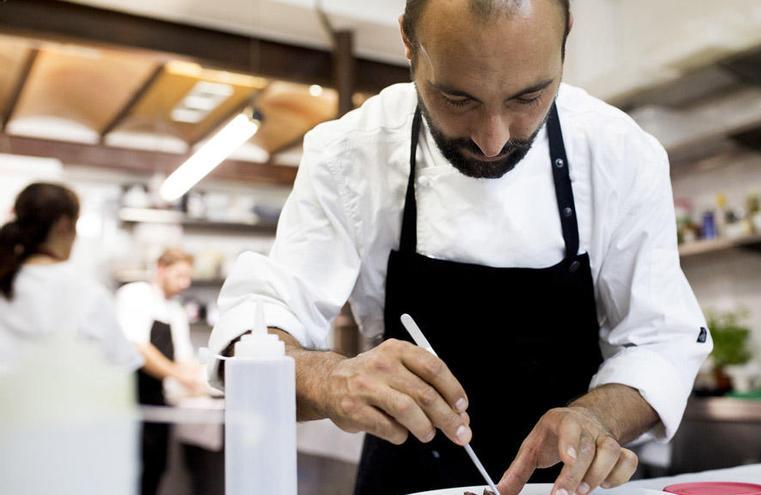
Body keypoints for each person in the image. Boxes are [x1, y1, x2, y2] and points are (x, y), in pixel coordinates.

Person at [209, 1, 713, 494]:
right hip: (404, 480)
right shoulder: (350, 155)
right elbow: (254, 330)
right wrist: (330, 380)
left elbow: (661, 341)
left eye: (529, 97)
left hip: (569, 486)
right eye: (458, 99)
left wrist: (597, 415)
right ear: (409, 41)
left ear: (566, 39)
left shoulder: (621, 153)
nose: (493, 141)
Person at [0, 182, 140, 372]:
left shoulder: (7, 279)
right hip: (65, 401)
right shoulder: (86, 294)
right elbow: (124, 365)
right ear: (64, 225)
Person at [116, 247, 202, 495]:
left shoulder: (176, 311)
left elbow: (184, 359)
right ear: (161, 269)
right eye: (180, 276)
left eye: (188, 277)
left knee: (155, 468)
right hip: (131, 399)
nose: (184, 283)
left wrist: (204, 376)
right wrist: (180, 376)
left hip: (159, 401)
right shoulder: (136, 295)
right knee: (131, 471)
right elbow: (138, 349)